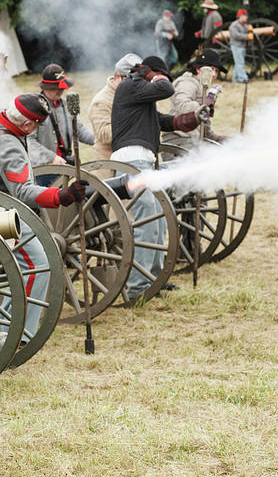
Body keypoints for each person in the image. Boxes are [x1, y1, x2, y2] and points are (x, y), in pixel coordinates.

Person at [0, 94, 87, 341]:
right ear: (26, 126)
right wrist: (61, 196)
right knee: (38, 264)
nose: (36, 130)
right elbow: (22, 191)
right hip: (1, 213)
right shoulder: (7, 145)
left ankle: (10, 327)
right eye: (35, 125)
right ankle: (18, 334)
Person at [111, 55, 205, 301]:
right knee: (147, 221)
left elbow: (166, 121)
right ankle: (136, 288)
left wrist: (196, 117)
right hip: (131, 161)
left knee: (161, 219)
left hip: (144, 162)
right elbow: (166, 87)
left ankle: (153, 280)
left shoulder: (141, 98)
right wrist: (153, 75)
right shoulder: (129, 86)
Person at [28, 63, 95, 174]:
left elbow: (79, 130)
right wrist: (51, 157)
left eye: (61, 87)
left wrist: (98, 140)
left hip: (64, 167)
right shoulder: (35, 107)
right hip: (42, 169)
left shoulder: (66, 104)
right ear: (45, 88)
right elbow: (29, 141)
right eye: (55, 88)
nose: (60, 90)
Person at [88, 53, 142, 163]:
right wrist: (134, 120)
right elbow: (104, 135)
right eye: (132, 80)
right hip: (109, 165)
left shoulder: (139, 95)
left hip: (136, 159)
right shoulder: (101, 101)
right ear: (118, 77)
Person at [166, 50, 226, 145]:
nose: (214, 74)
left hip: (191, 139)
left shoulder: (201, 87)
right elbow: (182, 107)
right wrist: (204, 103)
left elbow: (203, 121)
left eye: (216, 71)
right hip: (178, 139)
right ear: (198, 69)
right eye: (211, 69)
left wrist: (219, 139)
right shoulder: (187, 83)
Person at [229, 9, 250, 83]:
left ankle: (236, 79)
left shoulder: (245, 25)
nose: (246, 17)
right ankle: (243, 79)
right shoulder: (234, 25)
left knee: (238, 63)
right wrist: (247, 36)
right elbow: (236, 35)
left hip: (242, 46)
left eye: (246, 16)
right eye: (244, 16)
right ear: (239, 16)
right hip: (236, 46)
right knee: (240, 63)